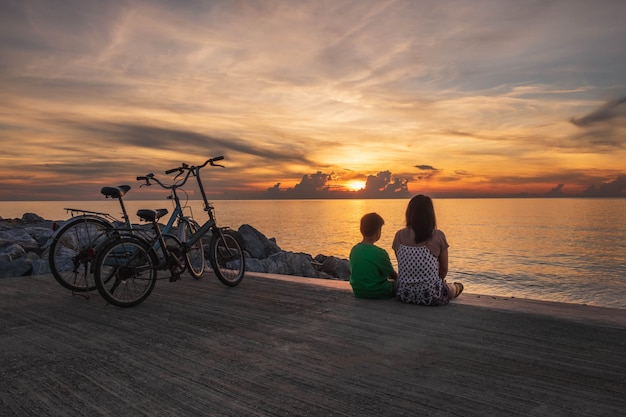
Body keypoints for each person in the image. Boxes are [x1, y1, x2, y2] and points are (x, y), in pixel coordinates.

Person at [392, 195, 463, 305]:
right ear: (430, 214)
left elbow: (403, 263)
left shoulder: (399, 235)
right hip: (430, 296)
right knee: (452, 288)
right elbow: (444, 269)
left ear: (409, 213)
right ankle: (456, 287)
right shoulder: (438, 235)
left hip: (403, 294)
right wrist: (436, 282)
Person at [349, 212, 398, 299]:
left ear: (361, 230)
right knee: (396, 284)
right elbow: (392, 274)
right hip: (377, 292)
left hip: (358, 291)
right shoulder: (380, 253)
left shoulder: (354, 250)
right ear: (378, 232)